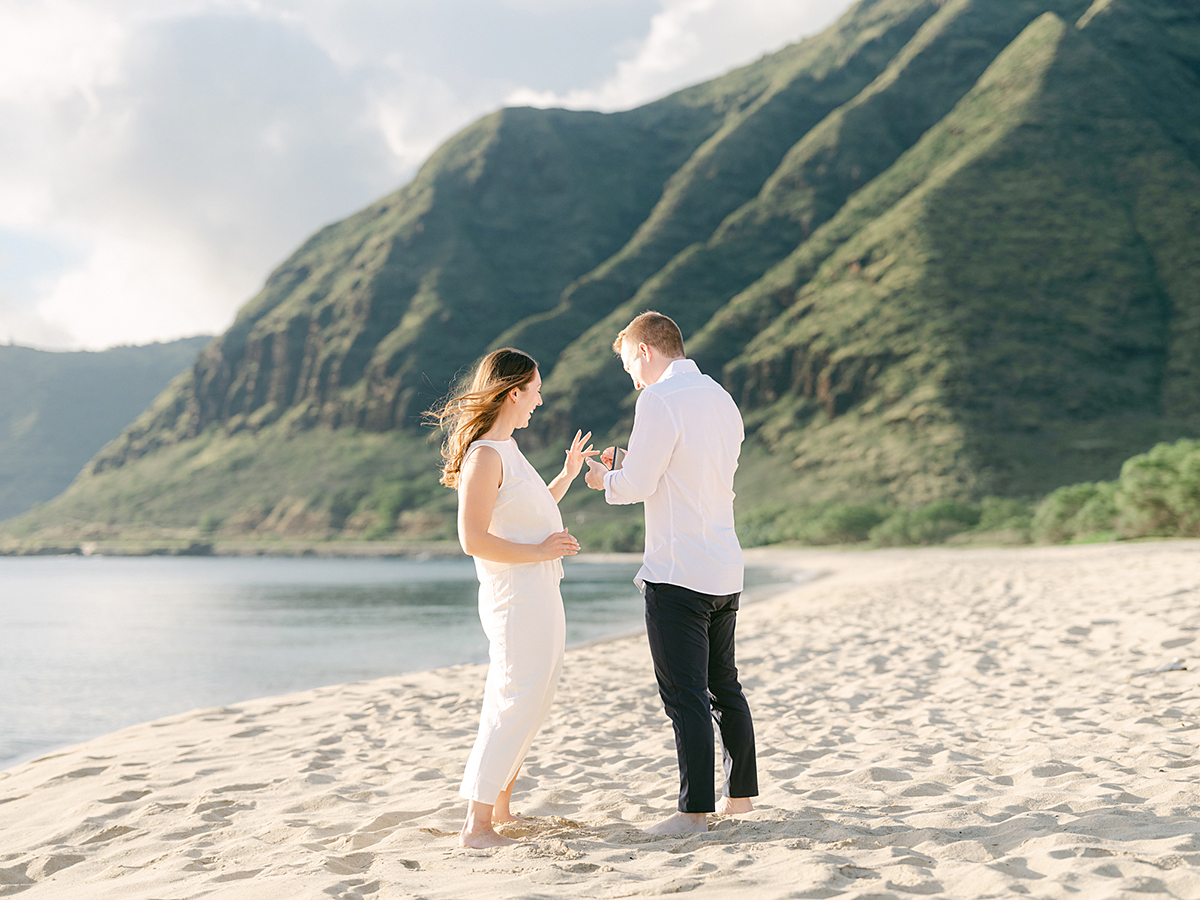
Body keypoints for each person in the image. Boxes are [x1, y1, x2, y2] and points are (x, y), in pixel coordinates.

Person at [584, 311, 758, 835]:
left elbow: (637, 485)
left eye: (628, 365)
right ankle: (742, 799)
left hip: (678, 570)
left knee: (684, 695)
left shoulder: (657, 399)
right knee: (724, 686)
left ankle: (693, 811)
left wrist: (605, 479)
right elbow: (692, 469)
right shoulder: (721, 398)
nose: (631, 378)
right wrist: (629, 460)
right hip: (724, 564)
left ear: (644, 351)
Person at [428, 347, 596, 849]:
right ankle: (476, 826)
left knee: (535, 701)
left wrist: (565, 476)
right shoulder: (484, 455)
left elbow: (528, 512)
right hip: (516, 600)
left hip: (541, 593)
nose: (540, 401)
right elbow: (473, 539)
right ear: (512, 392)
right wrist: (541, 549)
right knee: (513, 700)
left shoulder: (510, 450)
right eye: (536, 390)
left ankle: (500, 808)